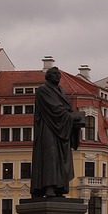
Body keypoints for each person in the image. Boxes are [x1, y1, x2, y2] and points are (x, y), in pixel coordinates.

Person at [30, 66, 85, 198]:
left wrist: (73, 116)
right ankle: (48, 187)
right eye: (55, 74)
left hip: (62, 129)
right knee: (50, 157)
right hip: (48, 128)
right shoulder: (43, 90)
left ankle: (59, 187)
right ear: (48, 76)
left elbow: (65, 108)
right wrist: (73, 117)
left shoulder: (60, 90)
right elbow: (55, 109)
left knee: (61, 158)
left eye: (59, 74)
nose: (58, 76)